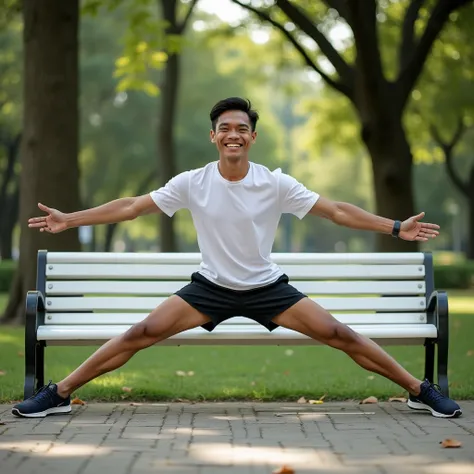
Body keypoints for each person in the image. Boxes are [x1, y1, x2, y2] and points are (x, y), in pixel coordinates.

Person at [12, 97, 461, 419]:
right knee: (141, 331)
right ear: (214, 136)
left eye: (241, 128)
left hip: (267, 288)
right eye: (225, 128)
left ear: (252, 137)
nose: (233, 134)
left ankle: (421, 391)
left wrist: (396, 227)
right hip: (210, 288)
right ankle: (60, 393)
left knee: (340, 333)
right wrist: (70, 220)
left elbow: (338, 211)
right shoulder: (193, 182)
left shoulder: (276, 183)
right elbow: (131, 207)